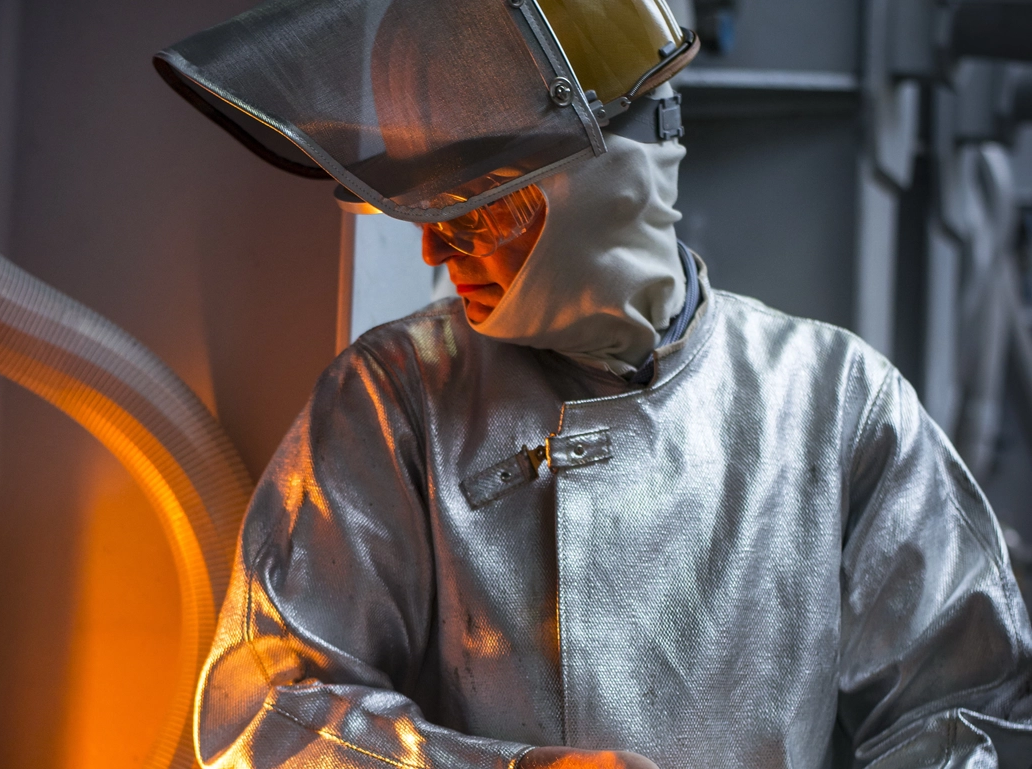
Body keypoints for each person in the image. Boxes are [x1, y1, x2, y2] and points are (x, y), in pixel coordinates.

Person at [155, 1, 1032, 767]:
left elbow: (966, 711)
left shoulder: (838, 403)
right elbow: (263, 717)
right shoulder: (394, 400)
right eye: (431, 206)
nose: (434, 245)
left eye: (483, 205)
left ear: (608, 181)